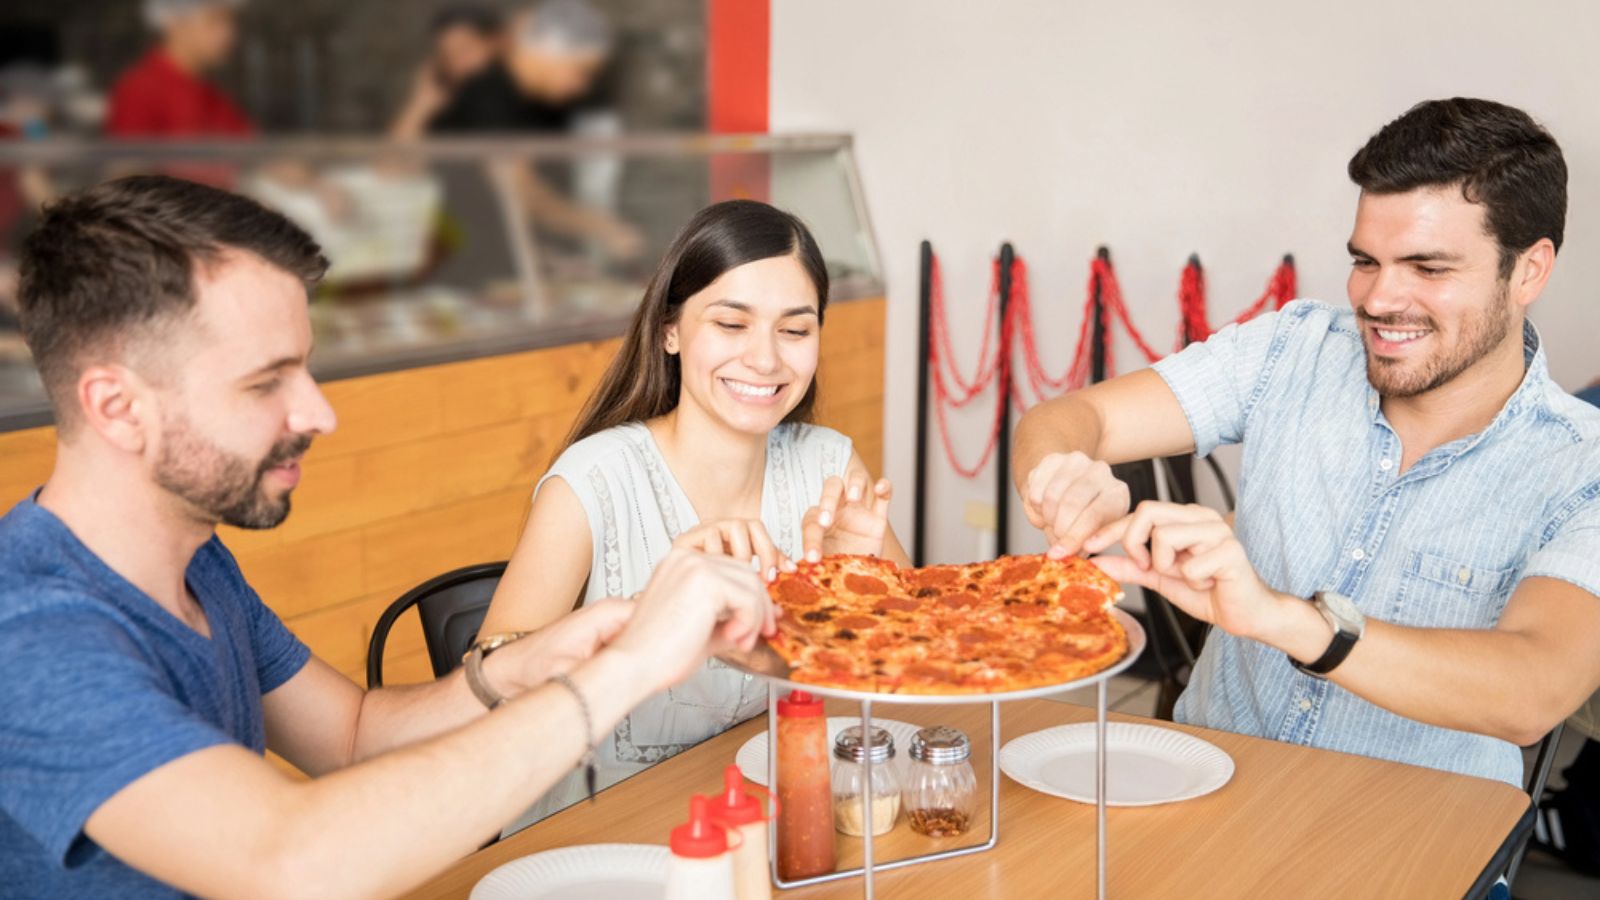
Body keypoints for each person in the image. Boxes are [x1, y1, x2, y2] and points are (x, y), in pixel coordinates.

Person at [0, 175, 776, 898]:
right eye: (265, 382)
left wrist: (516, 670)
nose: (318, 414)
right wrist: (628, 674)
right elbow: (285, 859)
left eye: (304, 370)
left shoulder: (196, 561)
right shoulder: (33, 631)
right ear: (116, 407)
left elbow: (350, 735)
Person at [1012, 98, 1600, 788]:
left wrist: (1286, 621)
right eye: (1366, 262)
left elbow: (1531, 689)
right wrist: (1065, 474)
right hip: (1204, 792)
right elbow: (1071, 418)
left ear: (1529, 270)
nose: (1380, 299)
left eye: (1429, 269)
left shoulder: (1581, 463)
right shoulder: (1292, 348)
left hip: (1412, 847)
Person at [479, 198, 908, 829]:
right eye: (732, 324)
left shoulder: (831, 467)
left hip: (777, 821)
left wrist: (859, 584)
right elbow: (494, 705)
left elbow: (916, 668)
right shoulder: (591, 482)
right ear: (670, 330)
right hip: (603, 831)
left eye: (795, 330)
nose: (766, 359)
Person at [429, 0, 643, 259]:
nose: (582, 87)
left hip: (517, 262)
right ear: (549, 52)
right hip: (471, 266)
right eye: (582, 71)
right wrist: (602, 228)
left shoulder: (546, 105)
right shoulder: (487, 94)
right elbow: (520, 192)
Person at [105, 0, 252, 138]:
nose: (228, 34)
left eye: (230, 21)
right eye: (214, 20)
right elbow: (128, 162)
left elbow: (254, 151)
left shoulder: (214, 98)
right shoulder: (138, 92)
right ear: (175, 23)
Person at [388, 4, 506, 141]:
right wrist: (421, 106)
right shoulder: (447, 105)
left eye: (465, 49)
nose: (458, 62)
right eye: (447, 54)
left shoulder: (515, 96)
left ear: (496, 43)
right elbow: (390, 159)